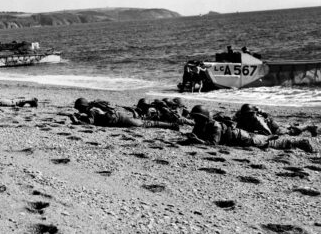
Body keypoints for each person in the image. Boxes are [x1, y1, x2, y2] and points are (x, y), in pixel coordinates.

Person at [186, 105, 314, 152]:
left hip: (242, 138)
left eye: (198, 118)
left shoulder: (215, 126)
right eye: (195, 118)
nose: (196, 120)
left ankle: (299, 142)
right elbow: (196, 136)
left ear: (204, 118)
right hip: (240, 135)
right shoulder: (201, 125)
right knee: (266, 140)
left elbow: (213, 144)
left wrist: (198, 141)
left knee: (268, 142)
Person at [71, 98, 178, 129]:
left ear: (82, 107)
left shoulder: (91, 111)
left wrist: (75, 120)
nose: (78, 111)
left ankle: (172, 125)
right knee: (144, 120)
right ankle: (171, 123)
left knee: (145, 124)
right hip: (119, 114)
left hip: (119, 118)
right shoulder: (94, 107)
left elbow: (88, 123)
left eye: (79, 109)